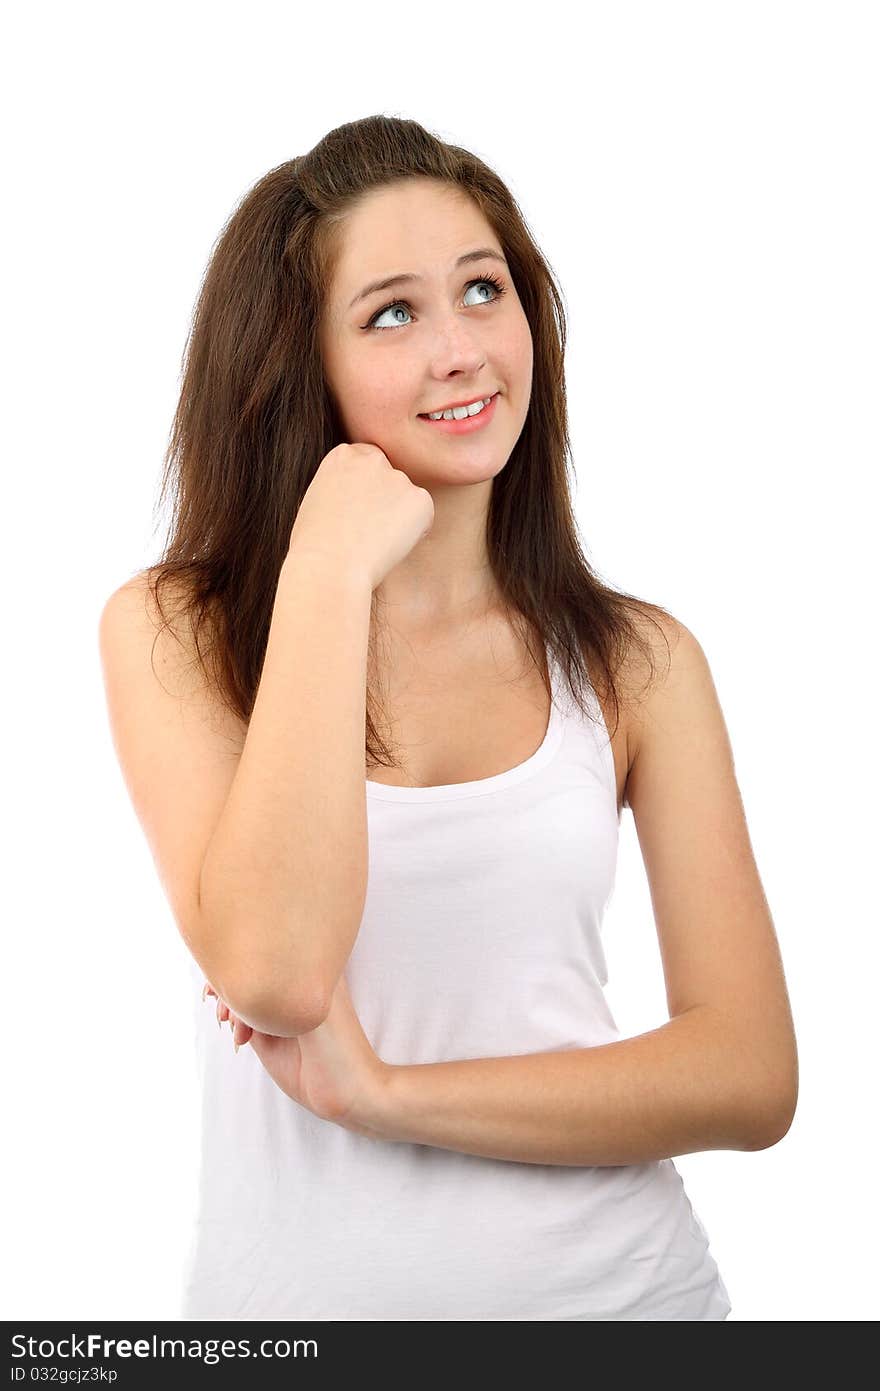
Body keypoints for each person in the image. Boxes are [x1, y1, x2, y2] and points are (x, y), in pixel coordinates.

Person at [97, 114, 798, 1320]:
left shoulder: (637, 662)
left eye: (485, 289)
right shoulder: (180, 630)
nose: (464, 348)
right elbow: (272, 968)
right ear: (292, 365)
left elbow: (749, 1072)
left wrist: (390, 1096)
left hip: (629, 1305)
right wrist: (326, 570)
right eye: (392, 313)